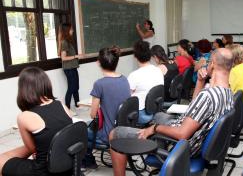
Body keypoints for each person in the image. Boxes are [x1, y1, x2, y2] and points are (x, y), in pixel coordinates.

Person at [109, 48, 234, 176]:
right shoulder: (228, 93)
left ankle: (162, 158)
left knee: (115, 133)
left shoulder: (208, 96)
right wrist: (200, 82)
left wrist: (154, 129)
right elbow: (195, 109)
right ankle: (161, 164)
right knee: (158, 116)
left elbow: (182, 134)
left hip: (183, 147)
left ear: (212, 64)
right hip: (193, 139)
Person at [0, 67, 73, 176]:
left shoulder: (24, 117)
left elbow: (32, 149)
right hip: (67, 165)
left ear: (23, 89)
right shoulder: (61, 105)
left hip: (44, 170)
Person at [82, 46, 131, 169]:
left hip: (108, 133)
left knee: (81, 130)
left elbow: (93, 115)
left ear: (99, 62)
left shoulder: (99, 84)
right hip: (123, 128)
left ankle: (88, 161)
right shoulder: (124, 79)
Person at [128, 41, 164, 124]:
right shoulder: (158, 70)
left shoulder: (134, 75)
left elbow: (127, 96)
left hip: (141, 114)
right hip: (156, 109)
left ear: (135, 56)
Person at [59, 23, 83, 109]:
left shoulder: (68, 41)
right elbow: (63, 58)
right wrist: (75, 56)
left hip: (73, 67)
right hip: (69, 69)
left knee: (76, 87)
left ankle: (77, 104)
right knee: (71, 88)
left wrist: (76, 57)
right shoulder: (64, 42)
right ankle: (67, 108)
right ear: (67, 30)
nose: (72, 31)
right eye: (71, 29)